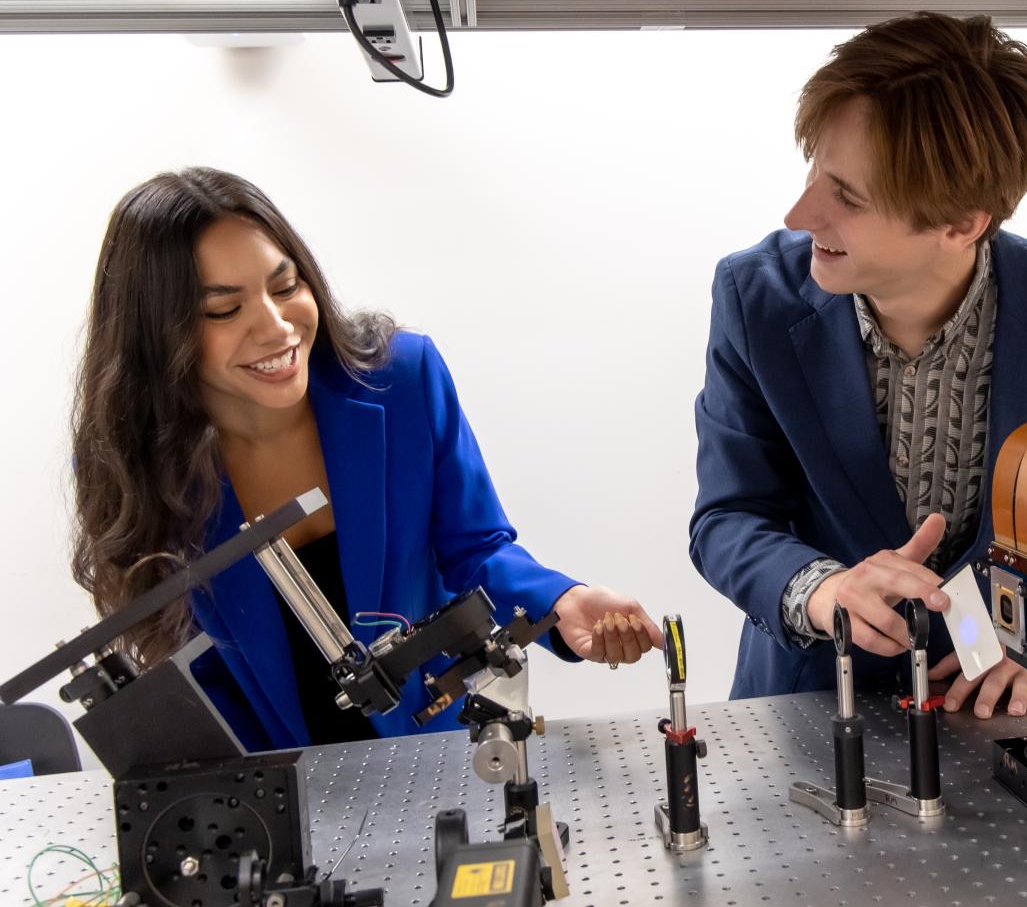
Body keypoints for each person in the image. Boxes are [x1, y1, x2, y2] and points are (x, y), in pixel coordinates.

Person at [70, 167, 661, 751]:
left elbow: (475, 549)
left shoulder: (402, 380)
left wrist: (561, 602)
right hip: (275, 787)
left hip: (434, 757)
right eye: (224, 310)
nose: (276, 327)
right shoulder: (134, 464)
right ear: (155, 333)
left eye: (285, 286)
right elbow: (187, 665)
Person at [690, 12, 1027, 718]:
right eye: (814, 173)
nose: (800, 215)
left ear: (962, 223)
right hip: (809, 705)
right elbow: (730, 514)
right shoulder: (754, 298)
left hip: (995, 704)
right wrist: (823, 590)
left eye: (847, 197)